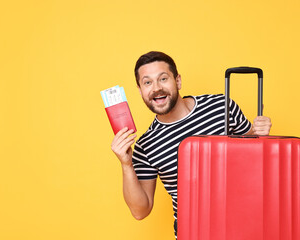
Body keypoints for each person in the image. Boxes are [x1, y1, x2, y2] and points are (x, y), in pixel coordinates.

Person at [111, 51, 272, 239]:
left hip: (244, 223)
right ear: (140, 91)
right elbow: (141, 211)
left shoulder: (221, 106)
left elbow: (253, 156)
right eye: (147, 82)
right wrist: (126, 164)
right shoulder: (146, 145)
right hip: (193, 231)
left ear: (178, 81)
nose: (156, 88)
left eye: (163, 78)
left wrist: (258, 133)